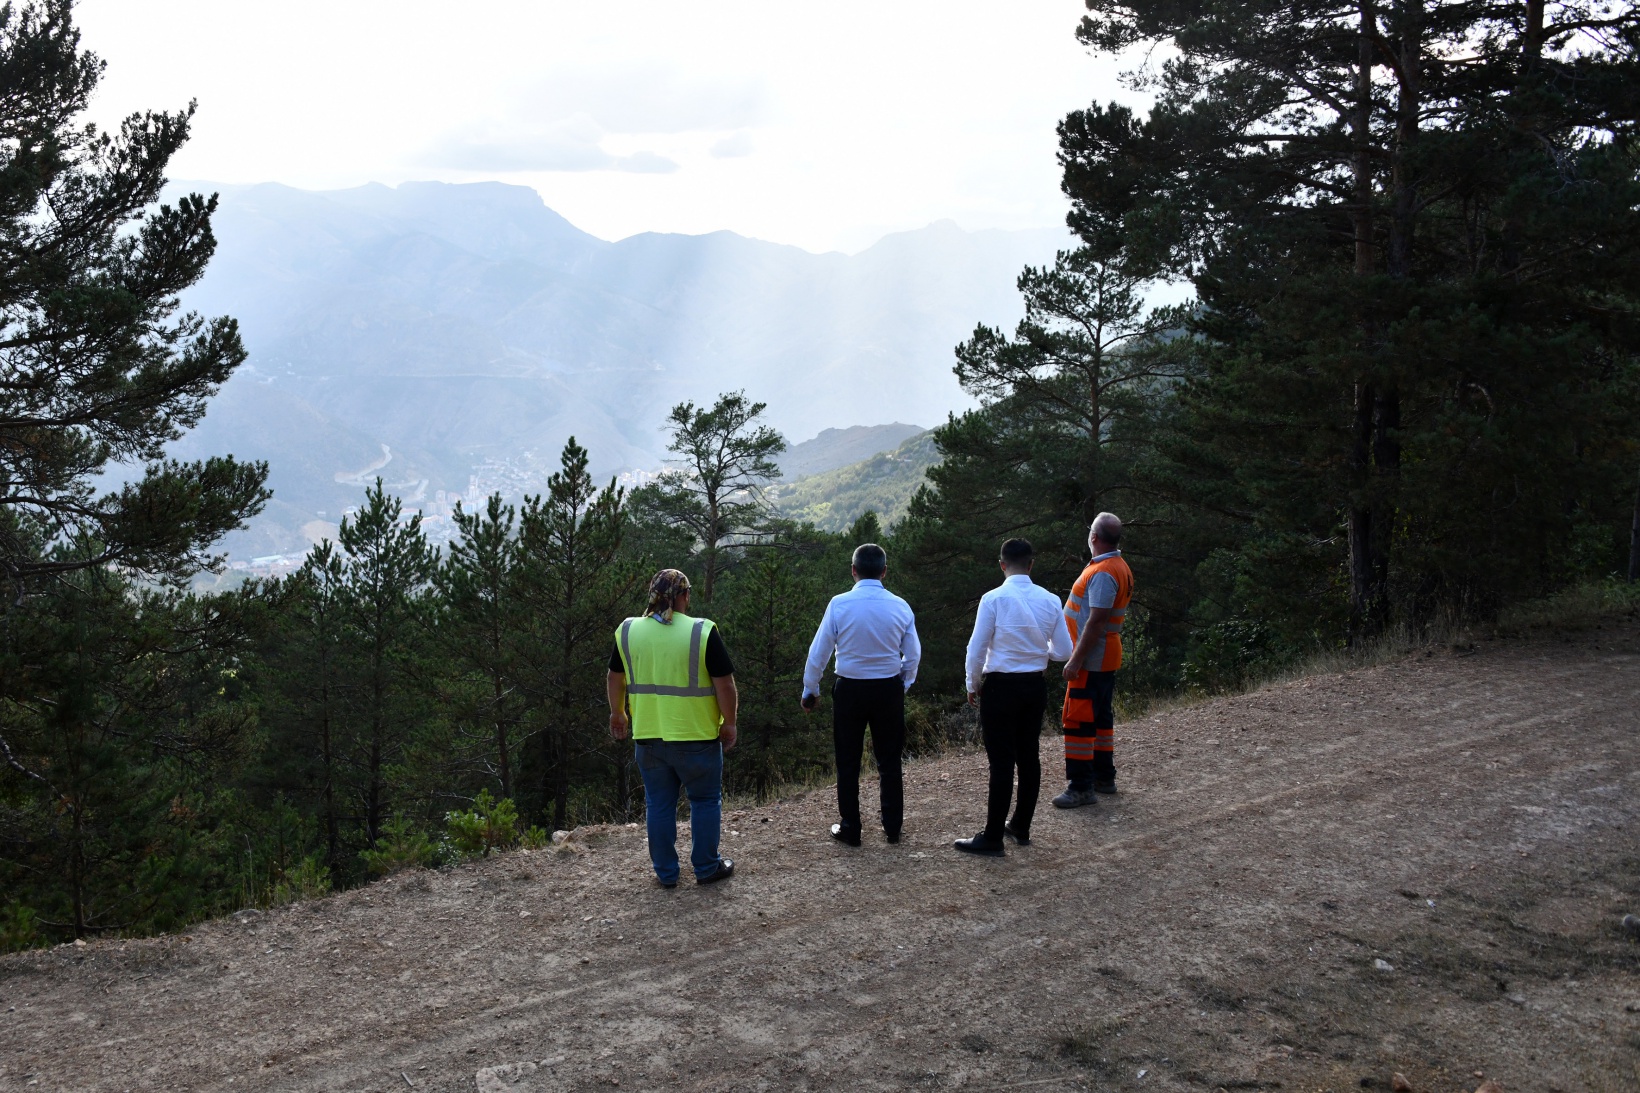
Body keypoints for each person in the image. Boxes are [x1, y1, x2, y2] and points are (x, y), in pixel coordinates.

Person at [607, 569, 738, 887]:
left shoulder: (627, 630)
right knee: (705, 801)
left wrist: (618, 714)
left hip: (649, 739)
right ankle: (707, 868)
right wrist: (730, 723)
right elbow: (725, 686)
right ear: (683, 596)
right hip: (697, 737)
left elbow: (615, 677)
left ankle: (666, 873)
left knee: (658, 804)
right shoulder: (700, 632)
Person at [953, 537, 1074, 856]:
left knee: (1002, 762)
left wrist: (971, 683)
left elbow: (976, 648)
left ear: (1002, 565)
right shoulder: (1050, 600)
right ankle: (1020, 826)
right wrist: (1039, 653)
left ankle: (992, 838)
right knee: (1028, 755)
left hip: (1000, 688)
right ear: (1031, 565)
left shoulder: (992, 599)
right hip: (1034, 687)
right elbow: (1064, 651)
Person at [801, 542, 921, 846]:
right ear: (884, 571)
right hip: (888, 688)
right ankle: (892, 827)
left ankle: (851, 827)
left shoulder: (839, 604)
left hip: (850, 689)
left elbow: (819, 652)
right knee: (889, 761)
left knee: (848, 761)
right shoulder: (900, 605)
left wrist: (810, 689)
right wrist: (902, 683)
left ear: (853, 571)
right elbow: (914, 654)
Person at [1055, 512, 1134, 808]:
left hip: (1091, 660)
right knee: (1101, 719)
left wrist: (1075, 660)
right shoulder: (1117, 566)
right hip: (1104, 657)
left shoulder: (1103, 572)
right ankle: (1104, 777)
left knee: (1078, 719)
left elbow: (1096, 621)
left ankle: (1081, 786)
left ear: (1095, 538)